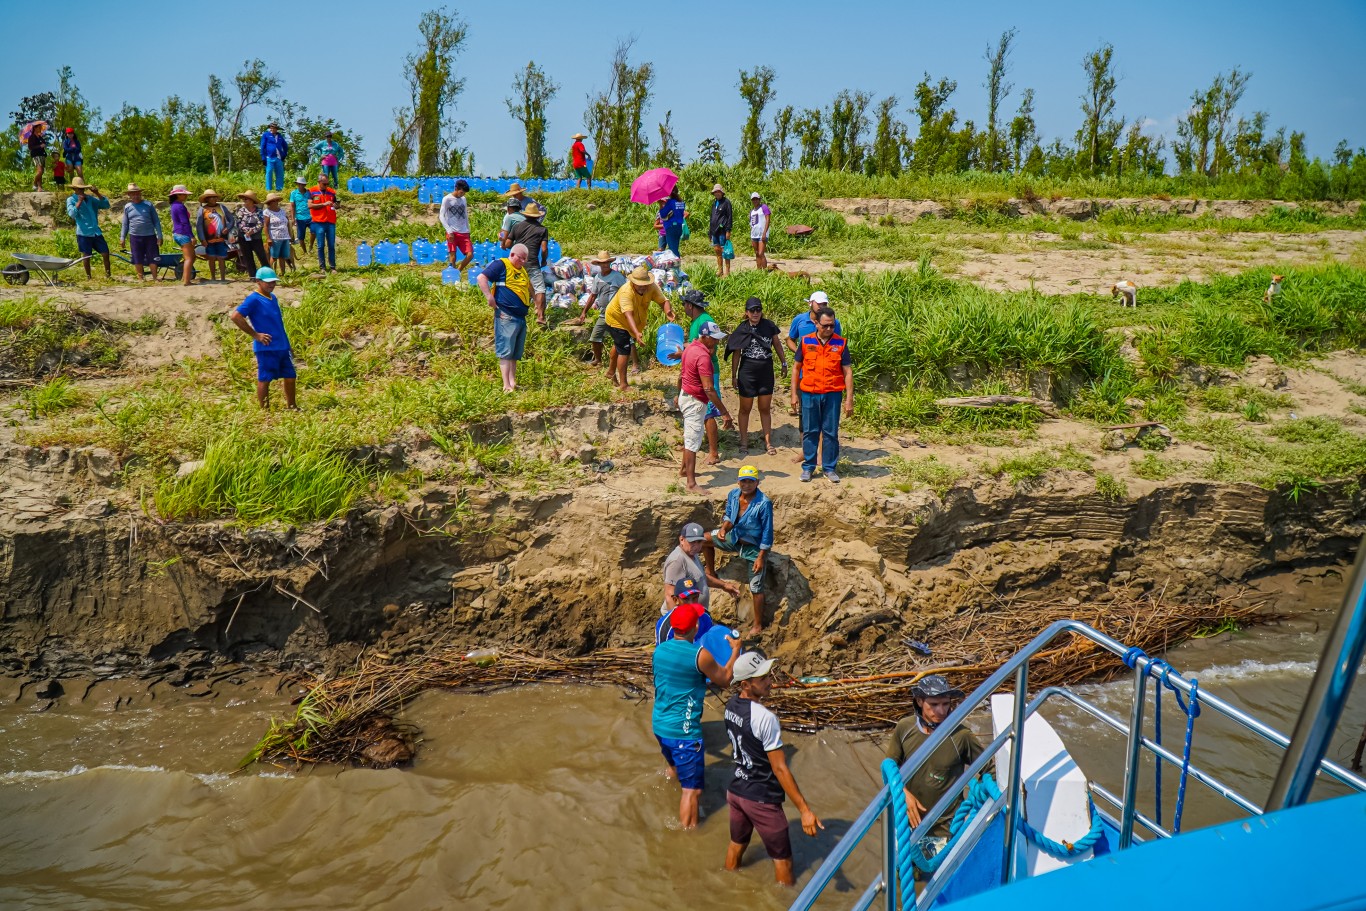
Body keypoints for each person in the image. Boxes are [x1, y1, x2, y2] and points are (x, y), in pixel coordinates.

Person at [724, 652, 823, 885]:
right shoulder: (765, 718)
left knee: (736, 845)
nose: (770, 682)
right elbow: (780, 769)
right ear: (746, 684)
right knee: (783, 861)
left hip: (736, 791)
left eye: (768, 675)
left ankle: (728, 884)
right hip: (762, 800)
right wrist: (805, 810)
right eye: (762, 679)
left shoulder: (730, 706)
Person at [652, 600, 740, 830]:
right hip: (685, 733)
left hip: (659, 725)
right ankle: (688, 838)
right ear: (694, 628)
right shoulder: (700, 655)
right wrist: (735, 651)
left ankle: (668, 791)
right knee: (692, 791)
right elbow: (725, 679)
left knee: (673, 770)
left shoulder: (659, 651)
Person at [885, 675, 982, 855]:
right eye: (934, 705)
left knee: (941, 875)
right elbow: (890, 768)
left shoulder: (961, 736)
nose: (941, 711)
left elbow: (988, 769)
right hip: (907, 820)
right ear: (920, 701)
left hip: (945, 827)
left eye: (945, 704)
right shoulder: (905, 728)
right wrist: (903, 794)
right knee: (905, 872)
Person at [705, 466, 774, 635]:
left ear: (757, 482)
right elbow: (730, 516)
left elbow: (767, 533)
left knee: (756, 587)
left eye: (751, 481)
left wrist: (761, 557)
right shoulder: (733, 495)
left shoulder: (763, 503)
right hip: (735, 537)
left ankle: (757, 625)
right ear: (738, 481)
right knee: (702, 539)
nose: (747, 484)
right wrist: (723, 529)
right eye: (744, 481)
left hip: (753, 547)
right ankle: (711, 573)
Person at [791, 306, 854, 483]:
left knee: (830, 432)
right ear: (816, 323)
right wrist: (794, 394)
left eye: (832, 326)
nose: (828, 329)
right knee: (810, 431)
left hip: (832, 395)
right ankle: (809, 467)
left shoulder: (840, 343)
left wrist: (849, 399)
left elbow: (847, 372)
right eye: (825, 325)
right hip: (810, 394)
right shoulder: (805, 341)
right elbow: (796, 369)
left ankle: (829, 468)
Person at [726, 297, 788, 456]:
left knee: (764, 408)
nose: (755, 313)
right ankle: (744, 441)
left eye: (758, 310)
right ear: (746, 312)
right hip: (747, 372)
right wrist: (733, 375)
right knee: (745, 408)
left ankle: (768, 442)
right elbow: (736, 353)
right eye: (752, 310)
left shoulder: (769, 326)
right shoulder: (742, 329)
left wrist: (783, 362)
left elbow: (777, 345)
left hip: (766, 371)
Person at [679, 321, 735, 492]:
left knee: (691, 436)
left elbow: (682, 374)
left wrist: (678, 393)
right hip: (695, 401)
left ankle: (683, 470)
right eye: (714, 339)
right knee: (692, 442)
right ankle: (691, 483)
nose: (717, 343)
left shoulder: (690, 347)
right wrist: (724, 412)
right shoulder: (703, 357)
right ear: (704, 337)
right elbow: (709, 389)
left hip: (686, 395)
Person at [230, 267, 297, 410]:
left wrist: (288, 344)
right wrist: (256, 335)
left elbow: (279, 324)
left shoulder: (273, 298)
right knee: (265, 379)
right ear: (258, 282)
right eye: (268, 282)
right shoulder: (254, 299)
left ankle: (292, 406)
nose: (272, 285)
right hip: (266, 347)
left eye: (273, 282)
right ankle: (264, 410)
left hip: (281, 346)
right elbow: (235, 316)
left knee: (291, 376)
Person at [603, 266, 676, 391]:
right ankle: (623, 384)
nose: (642, 287)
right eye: (639, 285)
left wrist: (668, 311)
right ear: (632, 282)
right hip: (617, 320)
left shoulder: (651, 287)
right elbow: (628, 315)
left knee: (620, 344)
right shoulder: (626, 292)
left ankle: (610, 373)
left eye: (644, 284)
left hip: (632, 323)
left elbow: (663, 300)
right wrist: (636, 333)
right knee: (624, 350)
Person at [476, 243, 532, 393]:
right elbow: (482, 277)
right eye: (521, 258)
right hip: (506, 315)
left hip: (520, 317)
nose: (523, 262)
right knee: (506, 351)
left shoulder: (522, 271)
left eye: (525, 259)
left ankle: (513, 382)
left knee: (514, 352)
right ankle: (506, 385)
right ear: (513, 254)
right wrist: (489, 297)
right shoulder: (501, 265)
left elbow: (527, 287)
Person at [662, 522, 740, 616]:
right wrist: (678, 624)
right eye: (692, 542)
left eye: (699, 542)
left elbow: (701, 577)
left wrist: (724, 585)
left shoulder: (692, 554)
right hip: (683, 619)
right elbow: (670, 595)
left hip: (696, 615)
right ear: (682, 540)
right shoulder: (677, 561)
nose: (696, 545)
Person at [681, 290, 722, 466]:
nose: (683, 308)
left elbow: (710, 349)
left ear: (690, 305)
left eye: (684, 304)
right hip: (697, 371)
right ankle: (696, 447)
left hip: (707, 371)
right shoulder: (696, 322)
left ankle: (714, 452)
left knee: (708, 412)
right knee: (701, 412)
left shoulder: (706, 322)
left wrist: (684, 350)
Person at [570, 251, 624, 368]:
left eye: (607, 263)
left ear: (610, 263)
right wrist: (584, 312)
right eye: (602, 263)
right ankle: (598, 360)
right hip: (604, 313)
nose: (605, 265)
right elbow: (593, 295)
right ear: (599, 264)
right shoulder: (597, 278)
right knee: (595, 337)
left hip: (616, 313)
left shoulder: (617, 277)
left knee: (622, 339)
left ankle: (628, 362)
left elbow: (626, 292)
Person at [508, 201, 550, 327]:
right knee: (540, 288)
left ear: (525, 215)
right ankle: (541, 317)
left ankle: (514, 313)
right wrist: (543, 260)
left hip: (517, 262)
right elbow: (544, 249)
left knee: (520, 285)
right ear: (538, 216)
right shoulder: (542, 229)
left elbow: (508, 244)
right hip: (532, 261)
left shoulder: (517, 227)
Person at [65, 179, 111, 279]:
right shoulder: (71, 200)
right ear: (74, 189)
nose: (81, 191)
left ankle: (108, 275)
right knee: (86, 256)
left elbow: (105, 205)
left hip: (95, 232)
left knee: (105, 253)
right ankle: (89, 277)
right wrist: (79, 201)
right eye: (79, 189)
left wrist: (97, 193)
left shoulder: (90, 199)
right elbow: (72, 214)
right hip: (84, 233)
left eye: (83, 189)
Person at [119, 184, 164, 282]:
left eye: (137, 193)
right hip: (135, 236)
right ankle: (140, 277)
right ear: (129, 195)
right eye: (133, 194)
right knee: (137, 256)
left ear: (140, 193)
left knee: (153, 257)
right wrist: (122, 237)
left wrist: (159, 235)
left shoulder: (148, 205)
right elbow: (125, 224)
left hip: (150, 236)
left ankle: (155, 277)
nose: (135, 196)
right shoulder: (128, 207)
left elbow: (156, 221)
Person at [196, 189, 235, 283]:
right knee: (211, 258)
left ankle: (222, 278)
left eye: (214, 197)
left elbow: (232, 220)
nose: (213, 199)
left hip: (221, 238)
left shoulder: (222, 208)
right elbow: (199, 225)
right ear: (207, 199)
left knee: (221, 257)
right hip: (209, 239)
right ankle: (213, 278)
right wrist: (202, 238)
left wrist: (228, 228)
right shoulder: (202, 209)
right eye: (211, 197)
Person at [439, 179, 474, 272]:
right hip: (452, 232)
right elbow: (441, 216)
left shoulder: (463, 199)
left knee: (470, 255)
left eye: (464, 193)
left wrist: (468, 230)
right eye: (461, 192)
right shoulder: (447, 199)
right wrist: (449, 231)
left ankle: (458, 271)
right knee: (453, 256)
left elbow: (465, 215)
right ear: (456, 188)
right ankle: (453, 274)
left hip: (464, 231)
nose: (462, 194)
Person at [307, 174, 339, 272]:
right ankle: (322, 267)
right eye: (324, 183)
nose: (326, 185)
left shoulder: (332, 192)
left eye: (327, 183)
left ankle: (332, 267)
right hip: (318, 221)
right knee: (321, 245)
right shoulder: (312, 191)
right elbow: (309, 205)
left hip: (330, 221)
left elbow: (337, 204)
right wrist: (323, 204)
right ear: (319, 182)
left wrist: (336, 205)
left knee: (331, 245)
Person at [234, 190, 269, 277]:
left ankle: (268, 274)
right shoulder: (241, 210)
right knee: (248, 257)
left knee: (262, 256)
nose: (244, 200)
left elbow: (261, 223)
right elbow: (238, 223)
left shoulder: (259, 211)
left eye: (246, 199)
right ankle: (252, 276)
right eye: (244, 199)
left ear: (252, 200)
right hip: (244, 237)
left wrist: (252, 230)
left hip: (256, 237)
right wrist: (246, 230)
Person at [168, 185, 196, 286]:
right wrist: (191, 236)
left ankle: (185, 277)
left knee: (192, 256)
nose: (185, 196)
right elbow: (185, 223)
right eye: (183, 194)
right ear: (178, 195)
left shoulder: (174, 205)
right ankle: (186, 281)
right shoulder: (180, 206)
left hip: (178, 233)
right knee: (189, 258)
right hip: (183, 233)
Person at [263, 192, 294, 274]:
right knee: (274, 256)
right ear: (270, 202)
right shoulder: (267, 212)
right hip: (275, 237)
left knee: (283, 256)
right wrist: (268, 238)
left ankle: (283, 273)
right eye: (274, 200)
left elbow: (287, 223)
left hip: (285, 237)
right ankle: (270, 274)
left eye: (277, 200)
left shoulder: (282, 211)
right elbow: (265, 226)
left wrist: (290, 235)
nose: (276, 202)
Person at [709, 184, 733, 277]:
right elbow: (712, 218)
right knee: (717, 250)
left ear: (721, 192)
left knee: (725, 251)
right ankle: (720, 270)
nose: (717, 193)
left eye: (718, 191)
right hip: (714, 231)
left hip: (723, 231)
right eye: (715, 192)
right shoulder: (714, 203)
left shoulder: (726, 202)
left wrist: (728, 230)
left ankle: (727, 272)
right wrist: (710, 232)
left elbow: (730, 217)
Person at [658, 187, 687, 260]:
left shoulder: (670, 202)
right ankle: (677, 266)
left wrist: (660, 205)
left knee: (672, 250)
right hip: (679, 227)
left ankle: (676, 267)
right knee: (675, 247)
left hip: (671, 227)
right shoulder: (681, 202)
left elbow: (663, 214)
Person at [260, 122, 290, 192]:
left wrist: (284, 154)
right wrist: (263, 157)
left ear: (277, 129)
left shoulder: (279, 136)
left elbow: (285, 146)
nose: (273, 129)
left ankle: (279, 189)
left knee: (280, 173)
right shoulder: (266, 135)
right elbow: (262, 146)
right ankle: (268, 189)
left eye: (274, 128)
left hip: (278, 157)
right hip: (269, 157)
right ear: (270, 128)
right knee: (269, 172)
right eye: (271, 127)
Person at [289, 176, 312, 256]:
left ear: (304, 185)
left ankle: (311, 246)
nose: (300, 186)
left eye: (302, 184)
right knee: (301, 237)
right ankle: (305, 251)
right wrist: (293, 218)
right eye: (299, 184)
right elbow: (292, 206)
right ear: (297, 184)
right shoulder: (293, 193)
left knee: (314, 231)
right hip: (300, 218)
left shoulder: (309, 193)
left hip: (310, 217)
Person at [749, 192, 770, 271]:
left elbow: (768, 219)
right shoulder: (752, 211)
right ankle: (758, 271)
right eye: (753, 199)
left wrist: (765, 233)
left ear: (759, 199)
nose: (755, 201)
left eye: (756, 199)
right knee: (757, 253)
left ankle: (765, 271)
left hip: (762, 234)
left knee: (761, 253)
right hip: (754, 235)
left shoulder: (764, 207)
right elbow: (752, 224)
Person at [27, 123, 49, 190]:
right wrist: (40, 146)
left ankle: (39, 187)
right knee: (40, 171)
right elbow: (30, 147)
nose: (40, 129)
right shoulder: (31, 137)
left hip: (42, 155)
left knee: (41, 171)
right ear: (35, 128)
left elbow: (44, 143)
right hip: (36, 155)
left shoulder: (40, 137)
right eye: (39, 127)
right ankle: (34, 183)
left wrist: (43, 144)